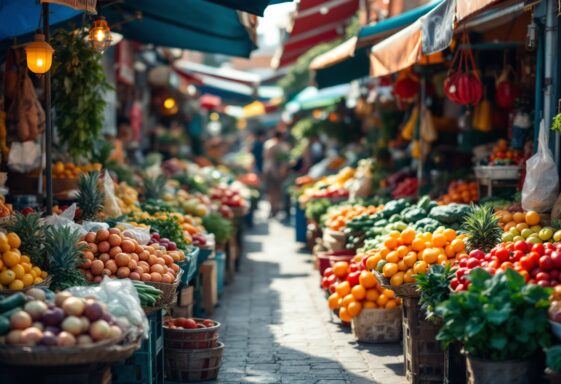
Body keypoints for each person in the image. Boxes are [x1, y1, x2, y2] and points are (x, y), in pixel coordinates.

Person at [263, 131, 289, 218]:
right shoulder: (283, 146)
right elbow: (285, 160)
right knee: (276, 191)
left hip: (271, 171)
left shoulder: (269, 144)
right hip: (276, 171)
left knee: (272, 191)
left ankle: (274, 208)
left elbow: (266, 158)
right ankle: (275, 208)